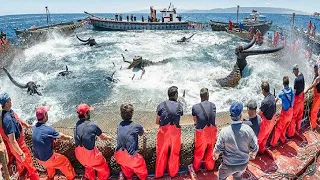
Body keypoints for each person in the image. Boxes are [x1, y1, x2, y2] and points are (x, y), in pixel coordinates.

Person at [0, 93, 39, 180]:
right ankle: (34, 177)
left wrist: (25, 124)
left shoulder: (8, 110)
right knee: (30, 165)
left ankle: (21, 173)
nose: (11, 101)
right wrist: (21, 153)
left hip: (15, 146)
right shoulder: (8, 120)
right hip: (19, 145)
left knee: (20, 161)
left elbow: (16, 117)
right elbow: (12, 140)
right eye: (9, 100)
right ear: (6, 103)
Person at [215, 102, 258, 180]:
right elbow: (255, 147)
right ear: (241, 115)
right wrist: (253, 155)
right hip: (243, 165)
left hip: (228, 165)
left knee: (221, 177)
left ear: (230, 116)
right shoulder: (248, 129)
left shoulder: (224, 131)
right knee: (238, 177)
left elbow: (217, 150)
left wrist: (215, 155)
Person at [32, 106, 76, 180]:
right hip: (48, 159)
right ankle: (71, 177)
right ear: (45, 115)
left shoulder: (34, 127)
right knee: (65, 161)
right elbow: (61, 136)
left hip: (39, 159)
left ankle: (50, 176)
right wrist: (69, 137)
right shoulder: (49, 129)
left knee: (49, 164)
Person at [74, 103, 111, 180]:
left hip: (80, 157)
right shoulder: (93, 125)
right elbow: (103, 137)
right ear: (87, 114)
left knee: (88, 166)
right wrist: (110, 138)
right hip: (92, 157)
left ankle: (90, 177)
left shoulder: (76, 125)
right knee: (103, 168)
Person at [155, 86, 183, 178]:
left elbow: (156, 121)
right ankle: (172, 173)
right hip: (175, 133)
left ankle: (159, 174)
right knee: (174, 153)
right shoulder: (180, 106)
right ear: (175, 95)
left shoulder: (161, 105)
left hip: (163, 133)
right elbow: (178, 119)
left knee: (161, 153)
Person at [114, 104, 148, 180]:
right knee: (141, 169)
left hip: (119, 156)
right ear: (132, 114)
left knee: (126, 167)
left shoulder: (119, 125)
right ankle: (142, 178)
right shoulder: (137, 126)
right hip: (132, 158)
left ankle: (128, 177)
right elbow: (142, 133)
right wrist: (144, 130)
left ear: (121, 114)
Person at [192, 88, 217, 172]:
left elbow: (195, 121)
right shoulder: (213, 105)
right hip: (212, 133)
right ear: (208, 96)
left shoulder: (195, 107)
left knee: (199, 152)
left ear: (200, 96)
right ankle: (210, 167)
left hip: (202, 134)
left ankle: (196, 168)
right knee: (210, 150)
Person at [270, 76, 294, 147]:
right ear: (288, 83)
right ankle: (282, 140)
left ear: (283, 83)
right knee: (284, 127)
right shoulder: (292, 90)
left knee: (278, 128)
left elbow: (275, 101)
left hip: (285, 113)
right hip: (291, 112)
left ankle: (273, 144)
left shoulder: (282, 93)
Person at [257, 82, 276, 154]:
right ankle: (261, 151)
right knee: (265, 138)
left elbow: (259, 114)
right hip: (271, 122)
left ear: (263, 90)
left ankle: (253, 155)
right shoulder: (272, 97)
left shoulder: (265, 102)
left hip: (266, 124)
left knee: (258, 139)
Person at [288, 65, 305, 137]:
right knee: (300, 115)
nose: (293, 73)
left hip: (297, 99)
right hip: (302, 97)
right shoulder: (302, 75)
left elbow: (294, 92)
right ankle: (298, 128)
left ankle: (290, 134)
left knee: (293, 117)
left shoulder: (296, 80)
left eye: (294, 72)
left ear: (296, 70)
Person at [305, 64, 320, 130]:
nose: (314, 70)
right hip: (317, 95)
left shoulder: (318, 78)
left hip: (318, 96)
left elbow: (313, 85)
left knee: (314, 111)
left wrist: (306, 90)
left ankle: (313, 126)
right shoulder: (316, 76)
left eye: (315, 69)